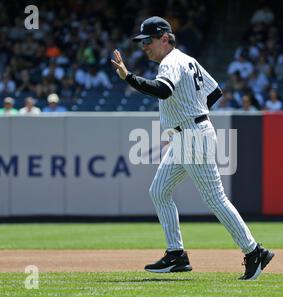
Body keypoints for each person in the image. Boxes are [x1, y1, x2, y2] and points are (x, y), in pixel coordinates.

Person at [111, 16, 274, 280]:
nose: (144, 47)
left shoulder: (171, 62)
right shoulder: (187, 60)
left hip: (193, 134)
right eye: (142, 42)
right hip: (187, 133)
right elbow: (215, 91)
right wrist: (192, 111)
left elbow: (163, 91)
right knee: (159, 191)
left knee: (215, 198)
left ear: (164, 38)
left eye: (148, 41)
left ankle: (254, 251)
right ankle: (176, 255)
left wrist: (129, 77)